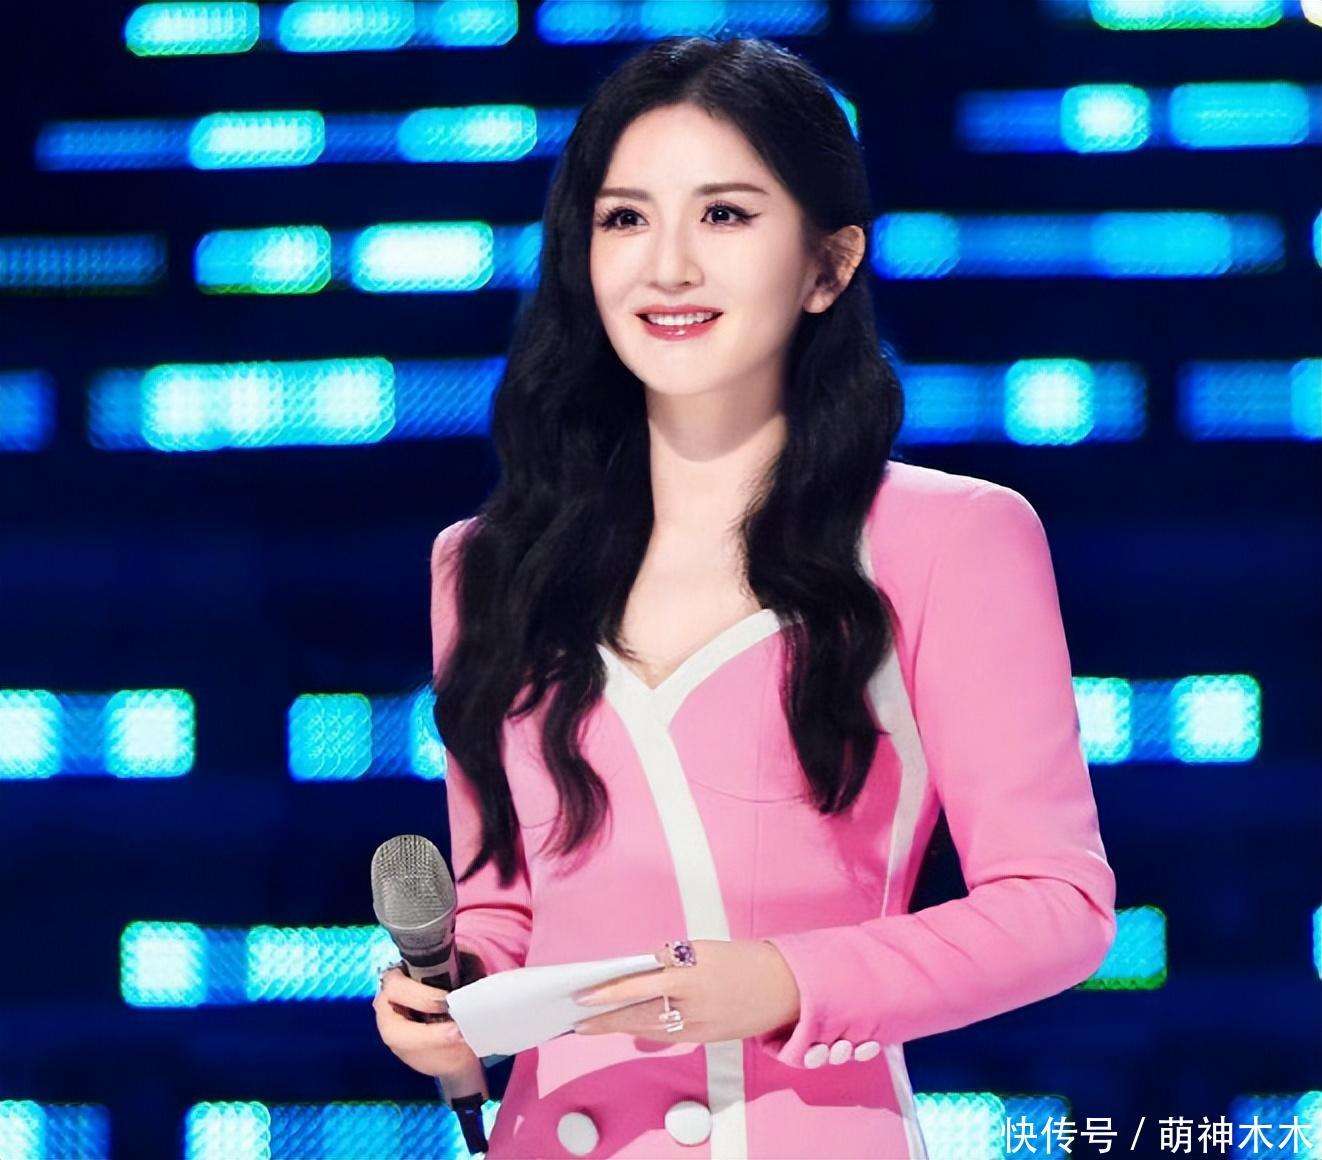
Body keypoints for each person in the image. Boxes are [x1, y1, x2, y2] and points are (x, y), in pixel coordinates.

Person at [374, 34, 1117, 1159]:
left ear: (828, 264)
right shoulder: (485, 564)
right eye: (624, 219)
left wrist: (783, 978)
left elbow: (1055, 905)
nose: (667, 266)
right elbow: (507, 905)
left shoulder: (949, 538)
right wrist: (452, 991)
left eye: (723, 214)